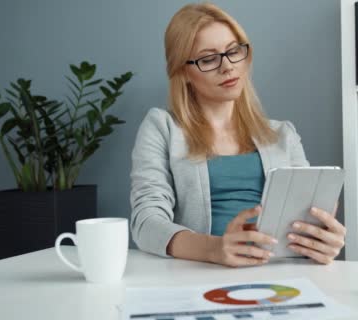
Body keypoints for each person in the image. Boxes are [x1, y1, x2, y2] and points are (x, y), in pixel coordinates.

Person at [130, 2, 346, 268]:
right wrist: (215, 249)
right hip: (199, 273)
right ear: (183, 72)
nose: (228, 66)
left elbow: (307, 223)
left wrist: (320, 241)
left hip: (279, 273)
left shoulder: (283, 134)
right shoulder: (162, 127)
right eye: (209, 59)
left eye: (233, 51)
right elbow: (146, 222)